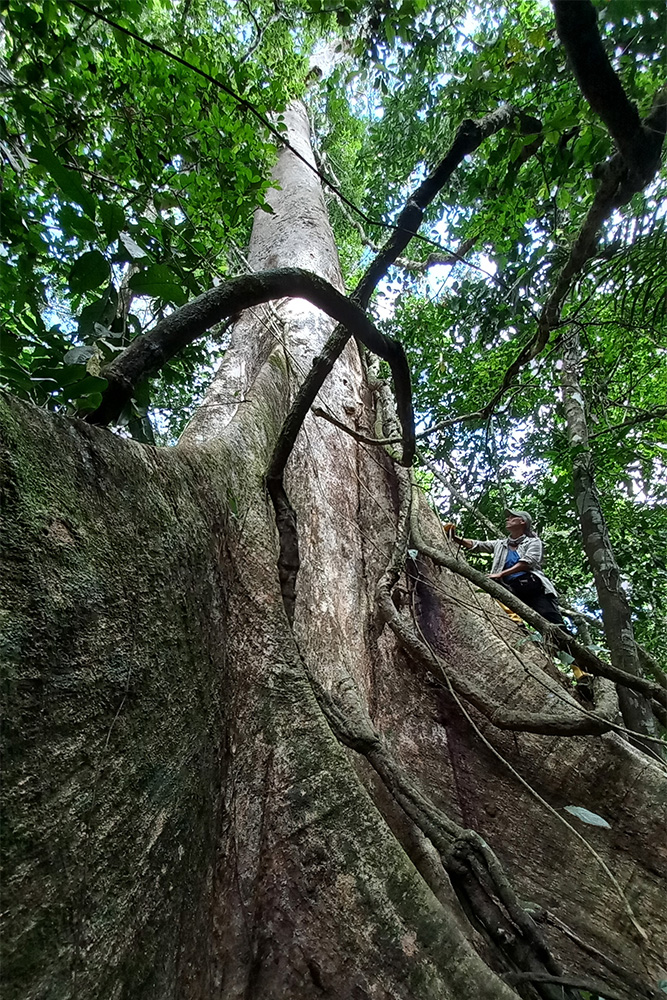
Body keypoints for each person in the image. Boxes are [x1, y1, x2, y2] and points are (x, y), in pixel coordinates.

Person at [447, 509, 566, 626]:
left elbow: (528, 562)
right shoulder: (501, 544)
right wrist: (454, 537)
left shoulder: (533, 542)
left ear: (522, 521)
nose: (507, 519)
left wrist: (501, 574)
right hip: (510, 587)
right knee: (502, 607)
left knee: (552, 621)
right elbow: (477, 545)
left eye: (512, 517)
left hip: (533, 586)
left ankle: (566, 644)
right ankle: (520, 629)